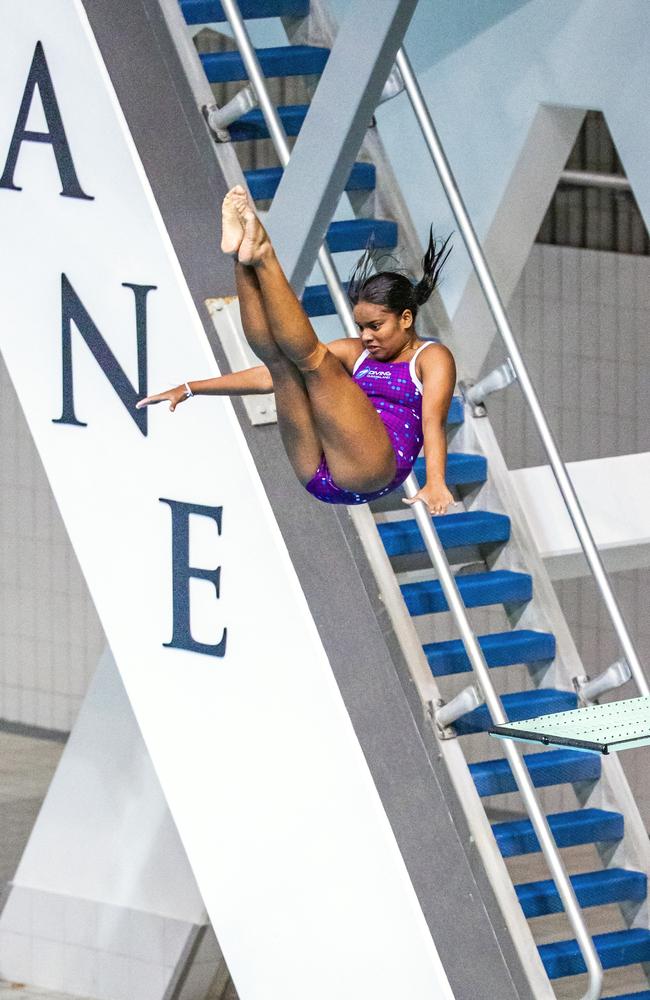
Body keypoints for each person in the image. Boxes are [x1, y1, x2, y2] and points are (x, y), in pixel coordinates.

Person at [136, 186, 457, 515]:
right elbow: (265, 378)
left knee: (316, 363)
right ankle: (239, 257)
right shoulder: (355, 352)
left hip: (372, 470)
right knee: (280, 366)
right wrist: (191, 388)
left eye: (375, 326)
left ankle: (263, 254)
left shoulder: (430, 358)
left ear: (406, 318)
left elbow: (433, 421)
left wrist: (435, 481)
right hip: (317, 475)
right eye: (361, 327)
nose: (366, 337)